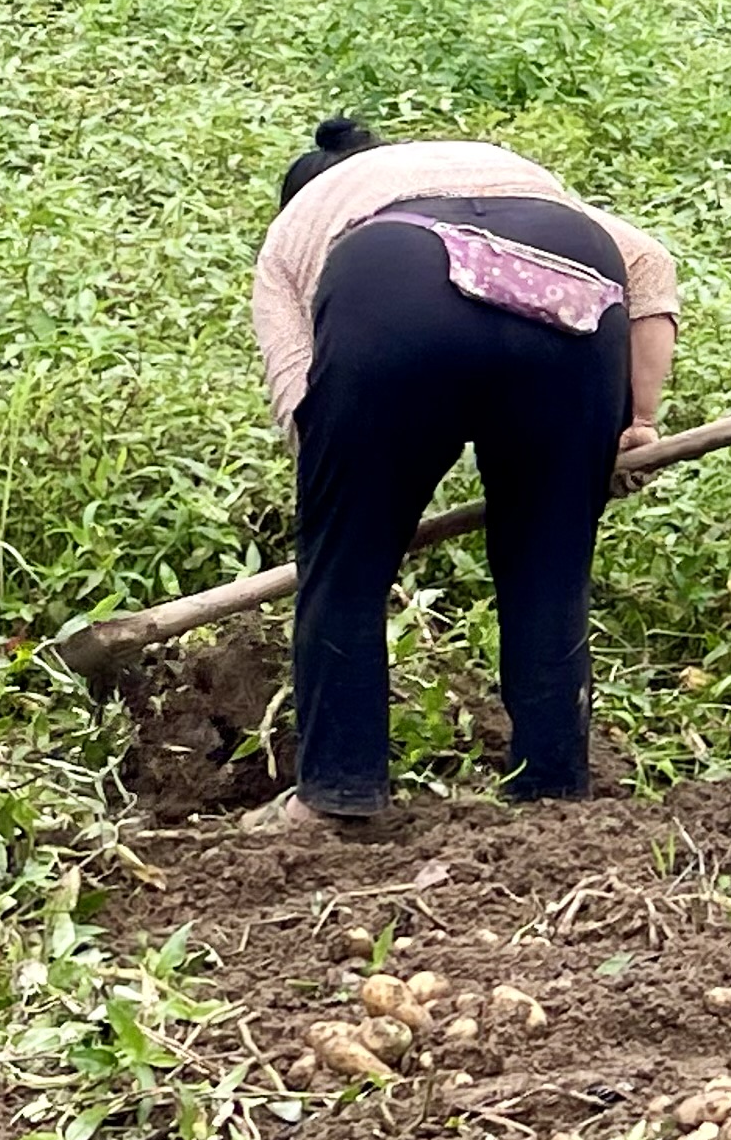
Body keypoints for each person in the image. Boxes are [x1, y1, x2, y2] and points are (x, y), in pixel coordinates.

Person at [247, 118, 682, 830]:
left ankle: (337, 795)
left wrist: (350, 501)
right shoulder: (489, 164)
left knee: (345, 568)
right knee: (548, 560)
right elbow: (648, 264)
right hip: (564, 271)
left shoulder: (296, 227)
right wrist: (636, 422)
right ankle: (552, 790)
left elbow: (299, 391)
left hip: (392, 282)